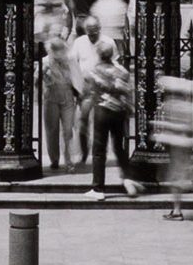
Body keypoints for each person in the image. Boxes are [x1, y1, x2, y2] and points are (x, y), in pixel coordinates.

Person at [82, 37, 141, 200]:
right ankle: (128, 179)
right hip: (118, 111)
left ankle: (98, 188)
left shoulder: (94, 70)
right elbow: (128, 90)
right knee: (119, 147)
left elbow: (89, 91)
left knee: (99, 149)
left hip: (102, 110)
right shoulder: (121, 70)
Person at [154, 75, 193, 221]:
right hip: (184, 144)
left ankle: (177, 210)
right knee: (179, 174)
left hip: (178, 144)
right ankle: (176, 207)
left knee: (177, 177)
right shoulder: (189, 106)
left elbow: (179, 126)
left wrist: (164, 129)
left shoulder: (171, 105)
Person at [41, 36, 78, 171]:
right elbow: (35, 82)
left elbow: (77, 79)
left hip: (67, 96)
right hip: (51, 97)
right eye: (55, 51)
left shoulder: (70, 60)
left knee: (68, 131)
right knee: (52, 130)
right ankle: (54, 159)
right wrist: (43, 75)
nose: (59, 54)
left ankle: (69, 161)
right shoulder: (44, 62)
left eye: (61, 50)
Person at [69, 17, 102, 165]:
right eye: (89, 33)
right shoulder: (79, 42)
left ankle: (98, 153)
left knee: (101, 123)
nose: (92, 36)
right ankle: (84, 150)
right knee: (83, 122)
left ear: (99, 29)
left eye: (94, 33)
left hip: (102, 88)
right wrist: (76, 86)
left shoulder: (108, 42)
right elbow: (73, 64)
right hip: (86, 88)